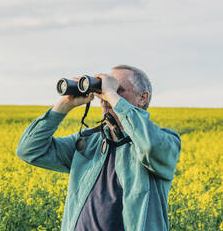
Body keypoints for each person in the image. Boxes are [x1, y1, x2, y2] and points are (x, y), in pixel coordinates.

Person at [16, 65, 181, 231]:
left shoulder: (166, 141)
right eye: (102, 91)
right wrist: (65, 104)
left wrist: (111, 94)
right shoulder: (88, 142)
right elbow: (29, 150)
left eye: (119, 90)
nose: (104, 98)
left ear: (143, 98)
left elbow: (150, 146)